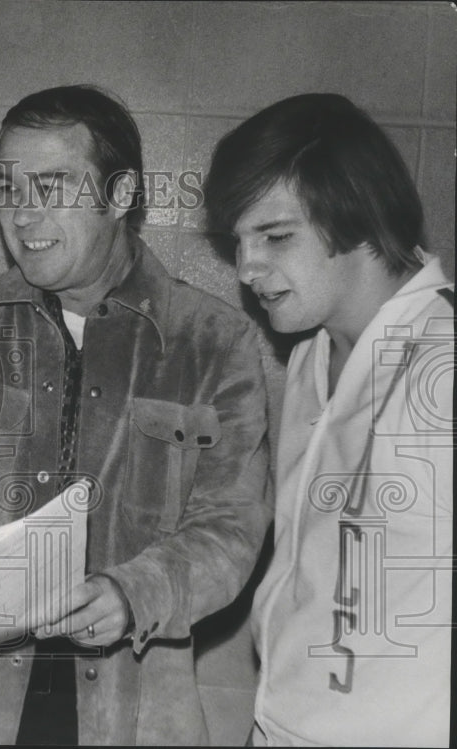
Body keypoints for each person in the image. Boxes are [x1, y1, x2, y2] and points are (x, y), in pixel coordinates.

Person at [0, 84, 271, 745]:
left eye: (52, 185)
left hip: (138, 708)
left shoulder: (214, 339)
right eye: (10, 188)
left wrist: (134, 592)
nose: (24, 215)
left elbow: (231, 527)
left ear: (120, 195)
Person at [204, 92, 453, 747]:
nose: (247, 267)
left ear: (359, 218)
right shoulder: (310, 356)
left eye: (275, 235)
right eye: (239, 239)